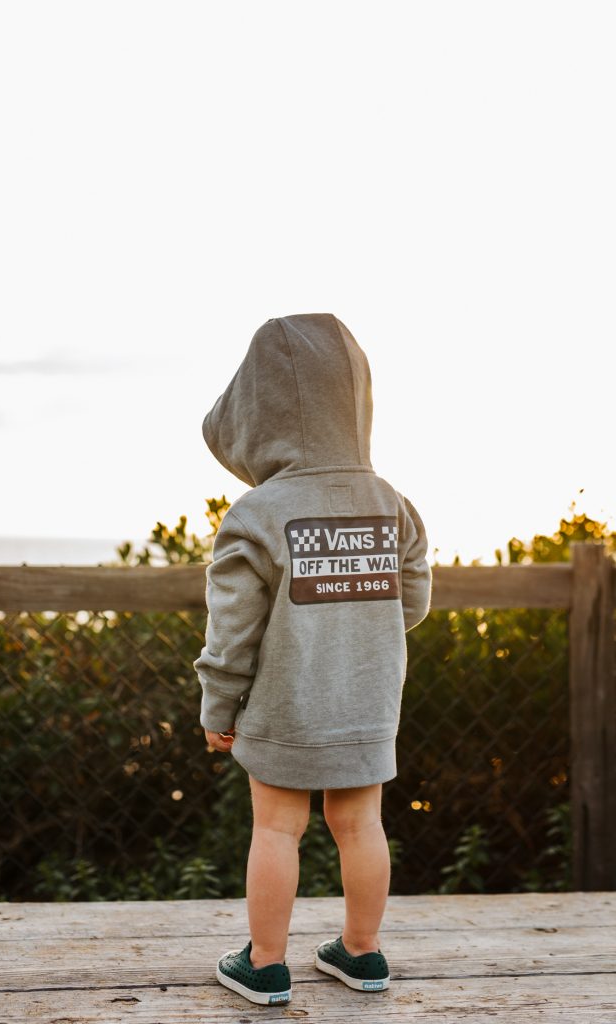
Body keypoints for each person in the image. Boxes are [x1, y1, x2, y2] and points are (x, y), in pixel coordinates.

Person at [193, 313, 432, 1006]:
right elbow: (411, 603)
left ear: (256, 413)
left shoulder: (257, 513)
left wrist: (218, 706)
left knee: (277, 827)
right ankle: (361, 953)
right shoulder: (391, 503)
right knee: (361, 824)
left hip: (285, 705)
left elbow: (233, 630)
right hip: (366, 701)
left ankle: (265, 965)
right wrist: (353, 629)